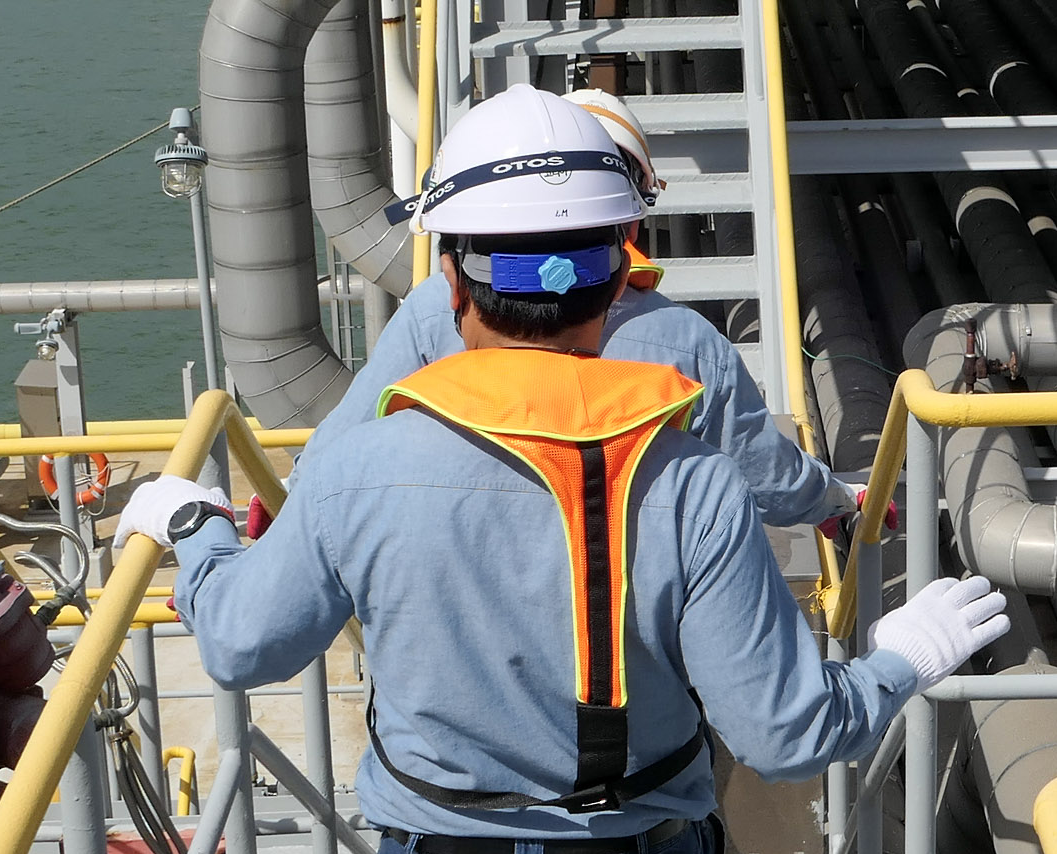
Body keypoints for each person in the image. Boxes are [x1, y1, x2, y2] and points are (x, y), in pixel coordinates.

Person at [125, 86, 1007, 854]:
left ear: (450, 279)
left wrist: (199, 531)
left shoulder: (355, 470)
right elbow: (785, 735)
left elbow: (241, 646)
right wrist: (898, 659)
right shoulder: (692, 482)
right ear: (619, 272)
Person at [305, 83, 856, 530]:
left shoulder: (431, 310)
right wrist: (834, 498)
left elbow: (333, 452)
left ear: (453, 278)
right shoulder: (689, 345)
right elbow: (770, 482)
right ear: (629, 228)